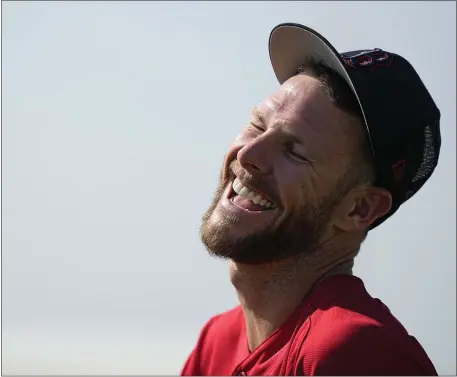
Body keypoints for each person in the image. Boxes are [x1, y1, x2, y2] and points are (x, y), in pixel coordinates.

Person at [181, 23, 440, 376]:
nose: (248, 154)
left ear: (359, 208)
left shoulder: (356, 353)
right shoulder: (218, 341)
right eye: (258, 125)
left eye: (295, 152)